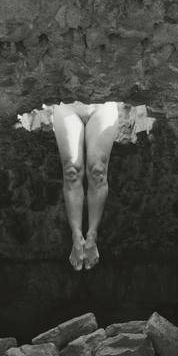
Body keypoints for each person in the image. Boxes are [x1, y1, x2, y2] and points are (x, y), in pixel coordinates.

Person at [52, 100, 120, 270]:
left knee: (98, 171)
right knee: (71, 170)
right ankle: (76, 236)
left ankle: (92, 236)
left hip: (102, 106)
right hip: (67, 106)